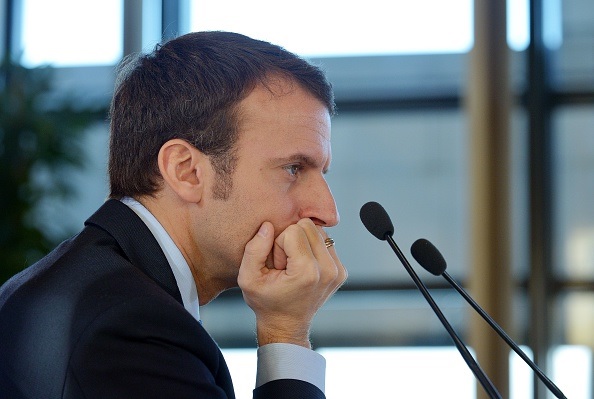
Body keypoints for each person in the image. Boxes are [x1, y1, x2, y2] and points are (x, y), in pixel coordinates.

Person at [0, 31, 347, 398]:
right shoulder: (128, 329)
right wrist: (286, 334)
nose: (327, 212)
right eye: (293, 168)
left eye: (320, 173)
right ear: (186, 171)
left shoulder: (91, 291)